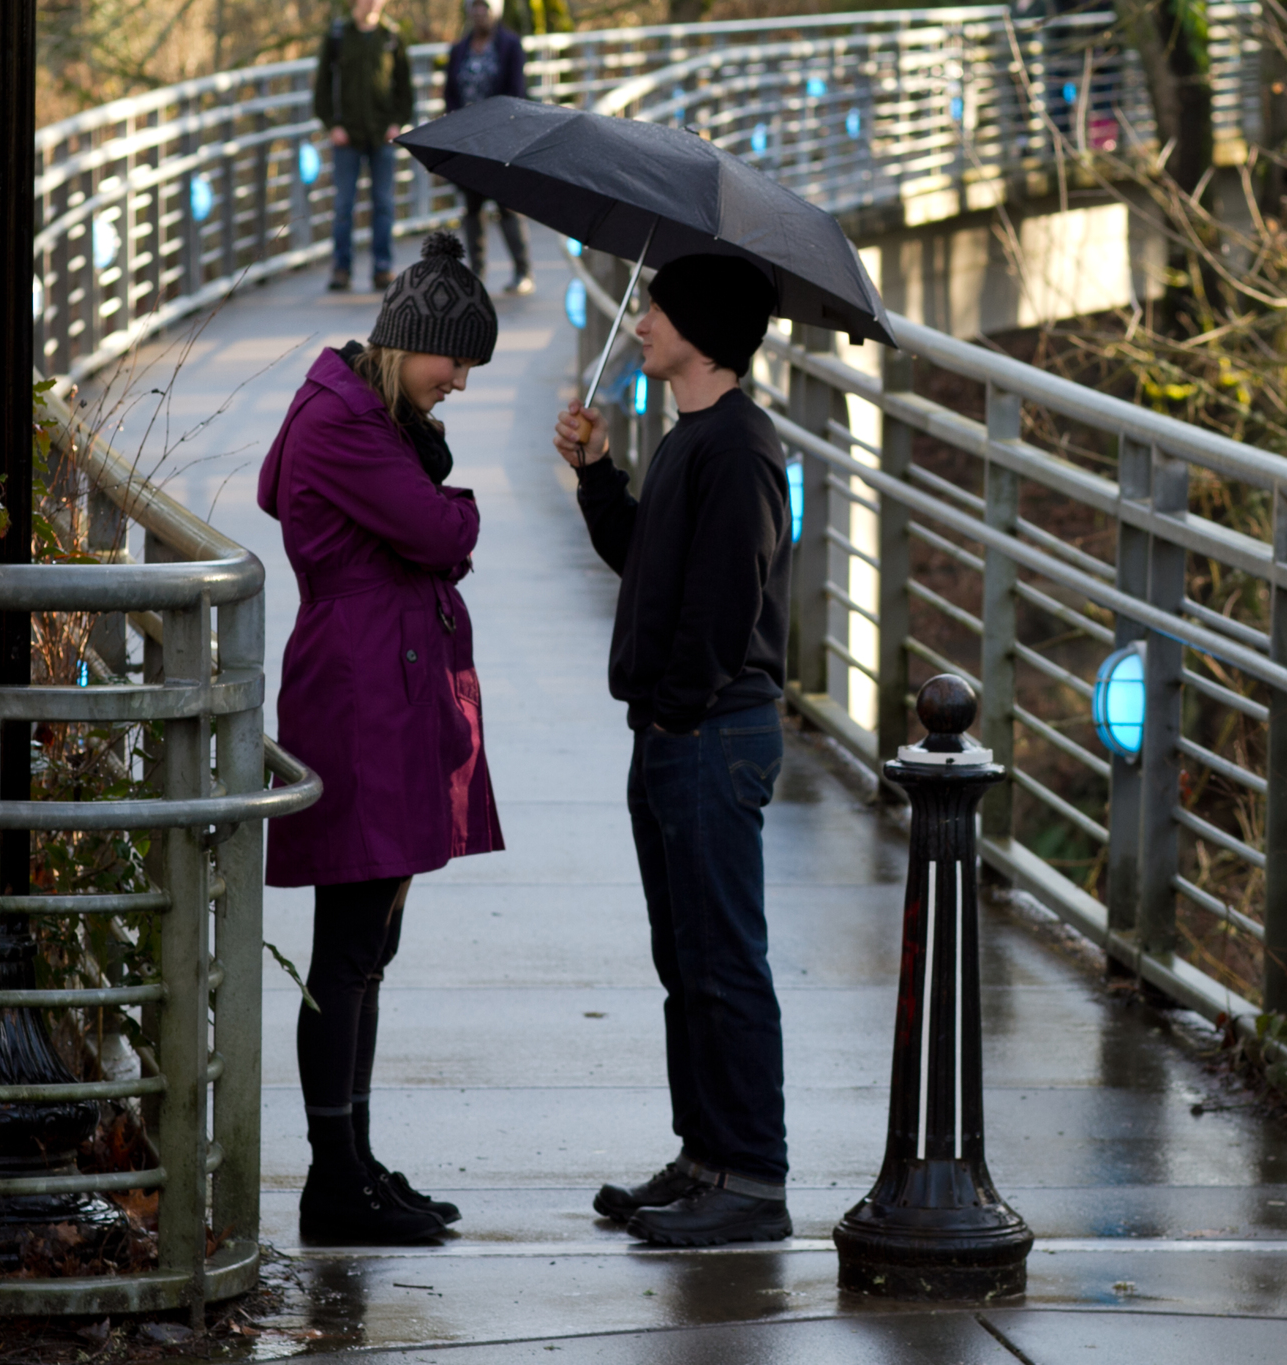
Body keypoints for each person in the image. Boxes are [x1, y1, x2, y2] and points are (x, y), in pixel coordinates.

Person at [260, 231, 505, 1243]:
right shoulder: (345, 425)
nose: (458, 382)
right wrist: (438, 487)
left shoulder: (367, 416)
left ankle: (353, 1161)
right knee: (350, 947)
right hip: (362, 700)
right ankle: (333, 1182)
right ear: (407, 342)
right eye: (452, 362)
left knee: (369, 948)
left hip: (384, 690)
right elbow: (446, 537)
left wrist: (421, 458)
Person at [549, 255, 793, 1247]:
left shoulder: (738, 448)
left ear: (701, 328)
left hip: (710, 733)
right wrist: (597, 474)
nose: (638, 324)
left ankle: (750, 1180)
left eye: (655, 309)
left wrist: (677, 713)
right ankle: (703, 1158)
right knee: (683, 957)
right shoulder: (694, 437)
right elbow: (647, 561)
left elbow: (725, 606)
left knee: (723, 960)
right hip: (674, 731)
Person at [314, 0, 415, 292]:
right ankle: (341, 268)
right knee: (344, 205)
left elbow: (405, 88)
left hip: (382, 135)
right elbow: (321, 86)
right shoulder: (337, 36)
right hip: (347, 136)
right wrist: (332, 125)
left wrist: (398, 122)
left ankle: (382, 268)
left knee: (383, 204)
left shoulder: (392, 37)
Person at [444, 0, 534, 295]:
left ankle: (523, 270)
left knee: (507, 205)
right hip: (468, 140)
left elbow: (517, 91)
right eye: (475, 7)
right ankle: (477, 271)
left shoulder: (509, 45)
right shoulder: (460, 48)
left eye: (485, 6)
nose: (479, 12)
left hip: (500, 138)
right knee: (472, 207)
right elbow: (450, 93)